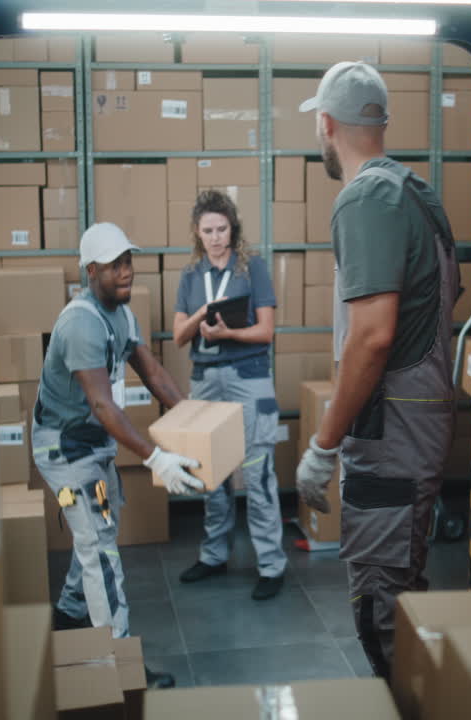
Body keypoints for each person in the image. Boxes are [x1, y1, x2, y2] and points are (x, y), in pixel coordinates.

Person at [294, 62, 460, 679]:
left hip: (392, 431)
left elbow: (371, 336)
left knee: (381, 610)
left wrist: (323, 446)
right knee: (404, 588)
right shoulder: (417, 193)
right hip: (418, 420)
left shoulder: (364, 198)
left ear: (326, 123)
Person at [32, 222, 205, 689]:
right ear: (91, 271)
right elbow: (103, 406)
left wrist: (195, 420)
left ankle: (69, 615)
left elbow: (153, 373)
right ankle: (122, 667)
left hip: (91, 440)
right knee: (102, 552)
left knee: (98, 528)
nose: (126, 271)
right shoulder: (80, 324)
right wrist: (156, 458)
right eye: (114, 265)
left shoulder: (122, 315)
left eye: (128, 261)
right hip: (63, 448)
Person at [171, 190, 287, 601]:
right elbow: (178, 336)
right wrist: (203, 314)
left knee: (258, 471)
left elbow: (266, 332)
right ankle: (214, 555)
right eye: (208, 231)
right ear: (197, 233)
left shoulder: (252, 267)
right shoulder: (191, 274)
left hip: (248, 377)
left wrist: (228, 332)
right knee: (211, 472)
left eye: (222, 229)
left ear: (233, 229)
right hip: (205, 379)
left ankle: (271, 565)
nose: (216, 237)